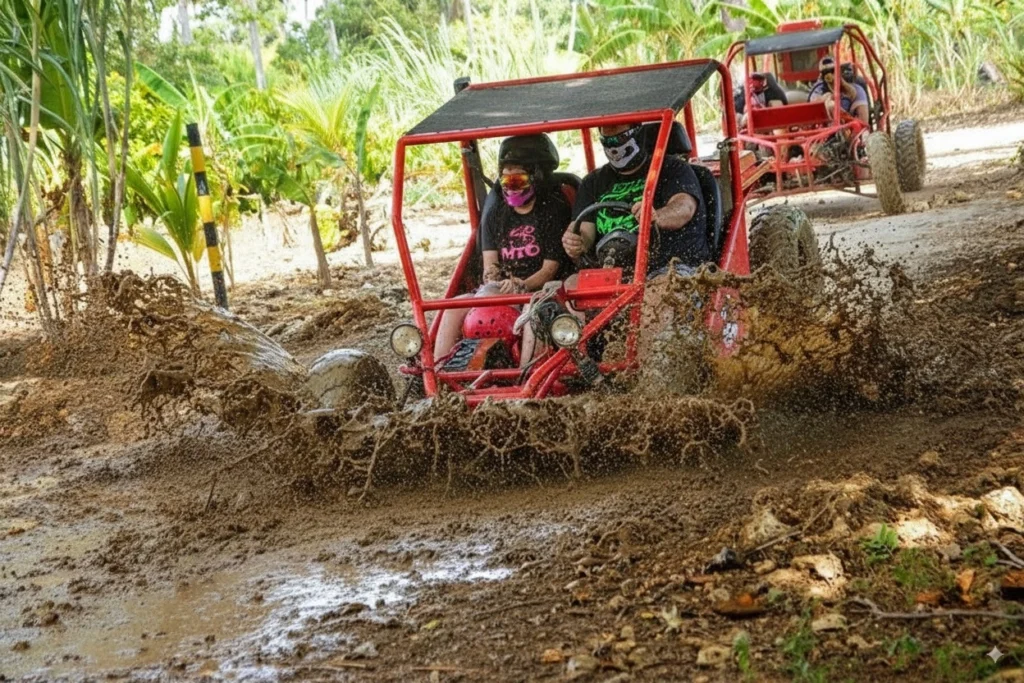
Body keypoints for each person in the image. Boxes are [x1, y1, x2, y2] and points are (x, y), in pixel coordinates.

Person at [433, 134, 571, 362]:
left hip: (539, 290)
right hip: (503, 289)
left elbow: (549, 270)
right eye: (505, 182)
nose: (511, 188)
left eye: (517, 181)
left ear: (535, 178)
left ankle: (526, 373)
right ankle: (437, 371)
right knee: (454, 307)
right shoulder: (496, 214)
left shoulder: (552, 212)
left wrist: (521, 285)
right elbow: (491, 265)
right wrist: (494, 278)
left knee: (534, 313)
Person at [561, 123, 708, 277]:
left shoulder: (674, 168)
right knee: (569, 284)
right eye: (607, 141)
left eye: (620, 138)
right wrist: (576, 241)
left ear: (637, 134)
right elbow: (583, 230)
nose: (613, 146)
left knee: (661, 287)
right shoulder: (593, 182)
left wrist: (656, 216)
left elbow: (684, 207)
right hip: (613, 269)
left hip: (670, 266)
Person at [809, 56, 869, 125]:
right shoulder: (819, 90)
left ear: (840, 71)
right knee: (831, 105)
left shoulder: (857, 90)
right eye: (825, 72)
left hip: (850, 125)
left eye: (833, 70)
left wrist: (842, 83)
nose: (830, 74)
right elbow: (813, 105)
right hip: (828, 125)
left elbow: (863, 122)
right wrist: (827, 98)